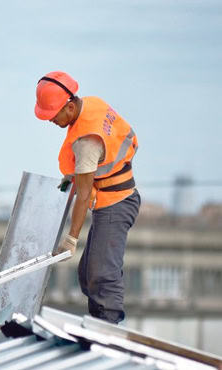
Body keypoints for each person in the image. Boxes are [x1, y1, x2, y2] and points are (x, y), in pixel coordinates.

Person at [34, 71, 141, 324]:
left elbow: (83, 195)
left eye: (53, 115)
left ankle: (107, 328)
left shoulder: (87, 143)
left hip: (116, 202)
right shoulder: (92, 104)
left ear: (70, 106)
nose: (51, 121)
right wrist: (74, 175)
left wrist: (71, 239)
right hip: (115, 196)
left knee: (101, 274)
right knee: (87, 273)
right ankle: (98, 320)